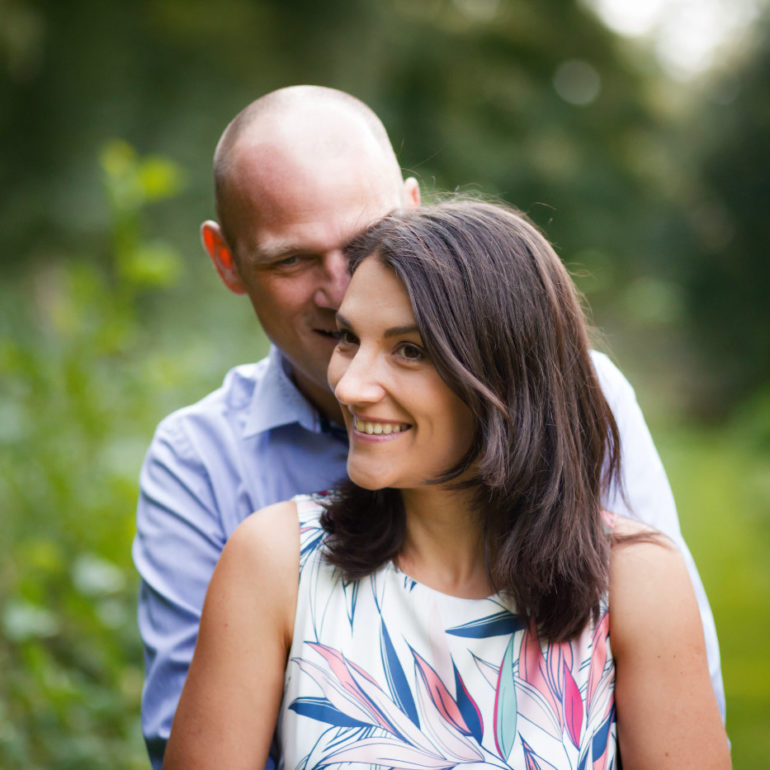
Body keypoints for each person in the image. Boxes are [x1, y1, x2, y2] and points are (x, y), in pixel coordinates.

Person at [132, 86, 725, 768]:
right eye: (291, 259)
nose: (336, 286)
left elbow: (681, 697)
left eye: (410, 348)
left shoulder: (621, 527)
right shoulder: (239, 514)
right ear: (227, 261)